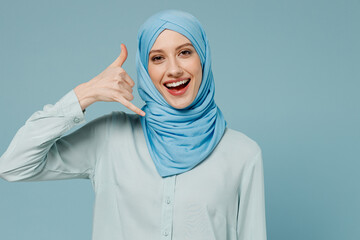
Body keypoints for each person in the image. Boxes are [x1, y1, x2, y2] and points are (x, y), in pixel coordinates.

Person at [0, 10, 267, 240]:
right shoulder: (110, 137)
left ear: (203, 59)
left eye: (185, 52)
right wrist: (84, 95)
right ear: (145, 69)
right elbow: (13, 165)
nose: (173, 70)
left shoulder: (243, 154)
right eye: (158, 58)